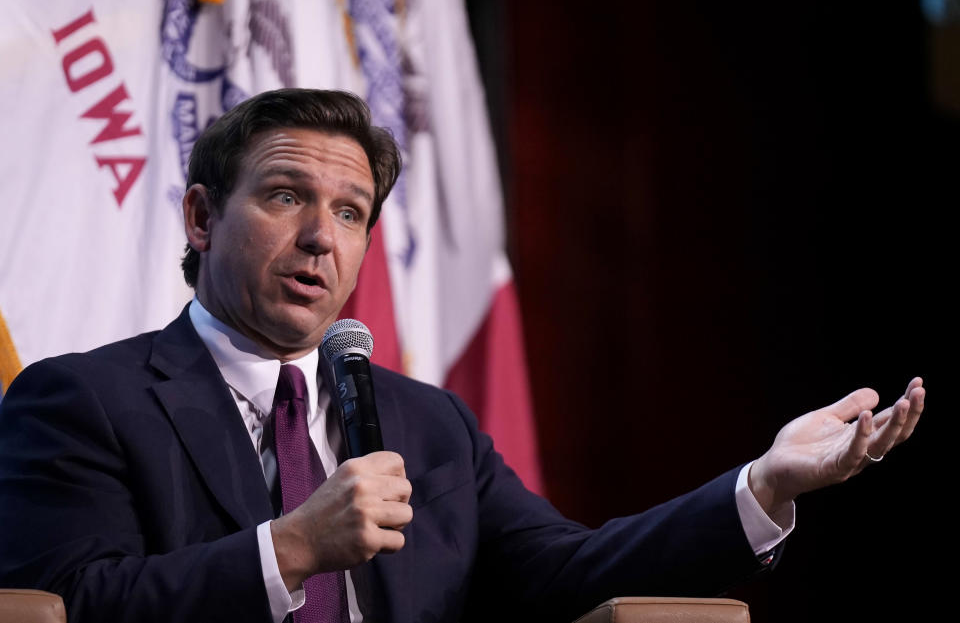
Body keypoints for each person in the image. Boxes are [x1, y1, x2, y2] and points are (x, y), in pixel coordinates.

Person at [0, 89, 925, 623]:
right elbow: (69, 604)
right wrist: (290, 547)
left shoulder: (425, 422)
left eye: (352, 212)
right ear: (201, 217)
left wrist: (763, 485)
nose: (322, 237)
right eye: (286, 196)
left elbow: (570, 572)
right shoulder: (82, 399)